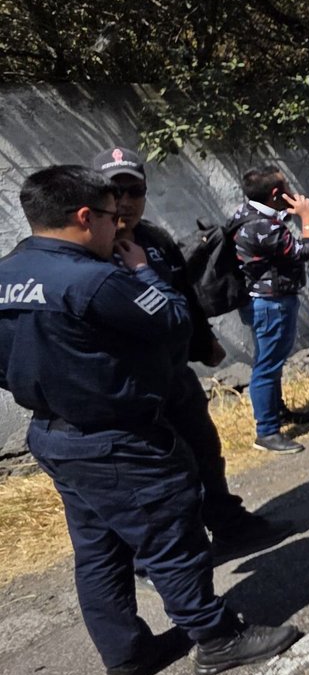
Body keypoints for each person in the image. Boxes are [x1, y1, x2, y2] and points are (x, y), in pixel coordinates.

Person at [0, 166, 300, 675]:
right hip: (117, 438)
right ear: (84, 217)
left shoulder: (6, 277)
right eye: (112, 218)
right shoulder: (93, 279)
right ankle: (215, 637)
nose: (119, 228)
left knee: (100, 550)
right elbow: (174, 321)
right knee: (167, 533)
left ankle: (126, 655)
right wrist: (142, 272)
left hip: (54, 435)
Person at [91, 145, 276, 548]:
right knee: (162, 474)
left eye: (133, 191)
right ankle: (175, 551)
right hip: (130, 389)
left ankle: (227, 521)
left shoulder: (154, 238)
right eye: (114, 191)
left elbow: (183, 294)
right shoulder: (87, 248)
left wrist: (204, 340)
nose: (125, 201)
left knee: (205, 450)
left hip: (175, 374)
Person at [230, 168, 309, 454]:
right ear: (274, 194)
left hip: (262, 300)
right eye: (286, 186)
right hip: (271, 302)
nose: (292, 189)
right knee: (267, 366)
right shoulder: (263, 227)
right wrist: (307, 218)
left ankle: (277, 413)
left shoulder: (245, 215)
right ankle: (266, 432)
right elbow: (307, 252)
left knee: (271, 362)